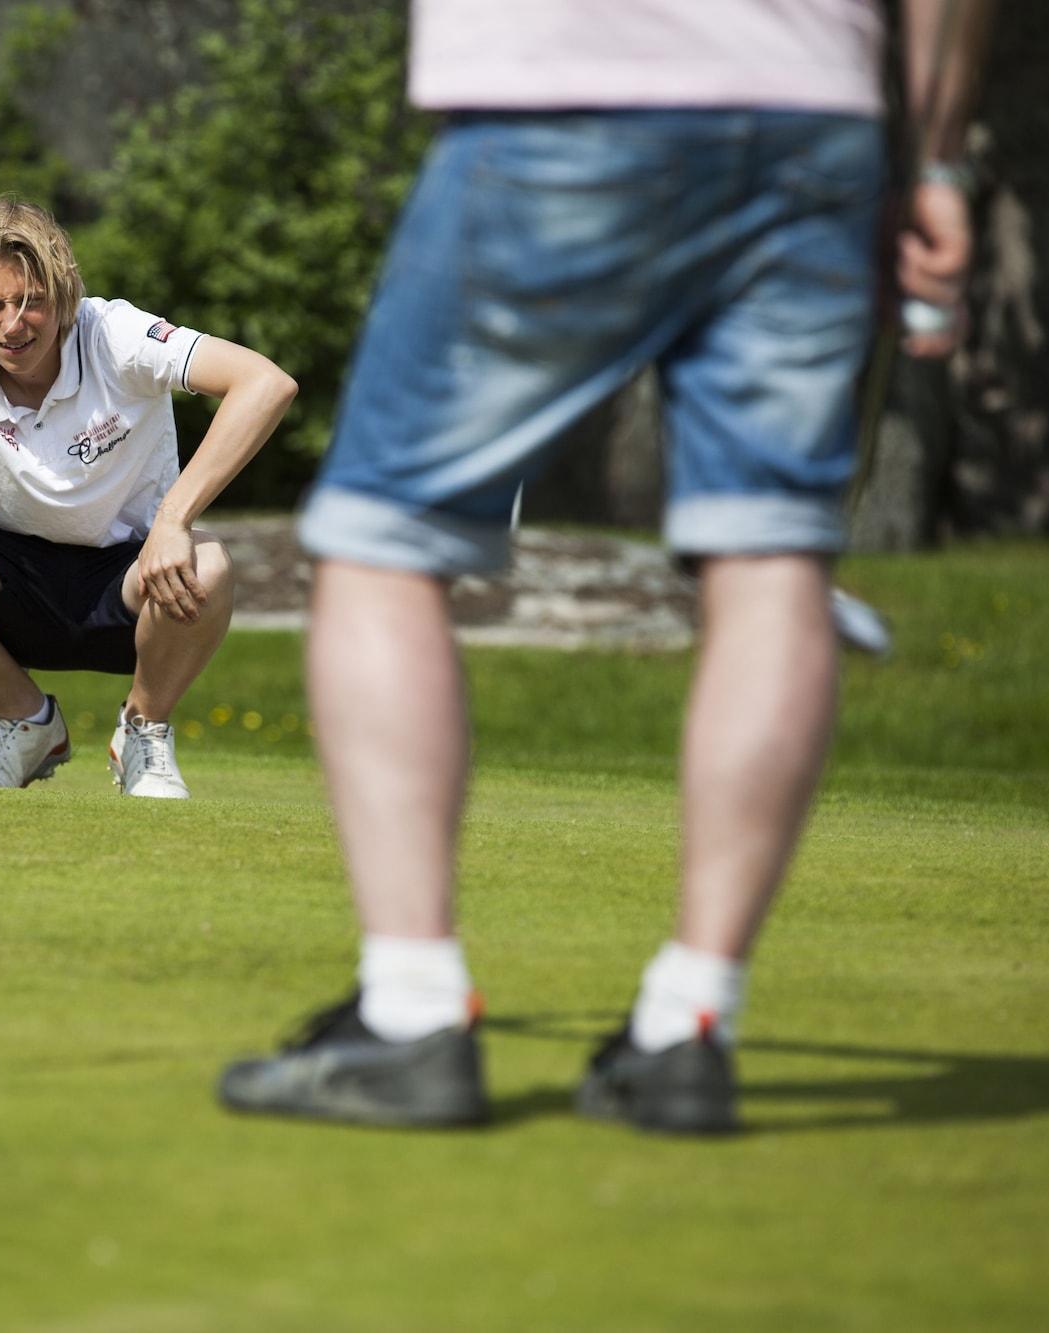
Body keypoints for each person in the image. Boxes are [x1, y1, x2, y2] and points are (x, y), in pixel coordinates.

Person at [219, 0, 996, 1130]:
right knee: (773, 551)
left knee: (380, 540)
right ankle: (690, 1022)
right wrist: (934, 163)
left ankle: (409, 1013)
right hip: (809, 119)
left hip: (565, 93)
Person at [0, 197, 297, 797]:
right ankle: (26, 722)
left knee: (211, 562)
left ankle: (142, 731)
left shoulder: (113, 332)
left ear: (63, 294)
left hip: (133, 583)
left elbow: (266, 382)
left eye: (31, 302)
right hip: (11, 586)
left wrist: (176, 518)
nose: (12, 324)